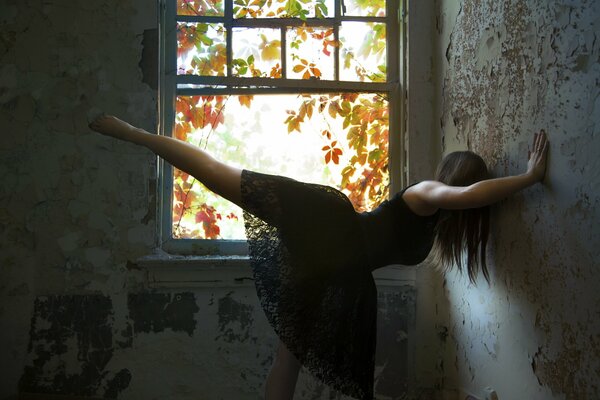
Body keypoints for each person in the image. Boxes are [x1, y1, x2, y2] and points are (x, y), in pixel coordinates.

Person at [89, 115, 549, 400]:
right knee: (220, 175)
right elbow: (469, 195)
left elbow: (471, 201)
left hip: (336, 274)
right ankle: (134, 134)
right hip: (329, 225)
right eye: (463, 186)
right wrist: (528, 178)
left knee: (286, 362)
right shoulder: (425, 192)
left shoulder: (434, 227)